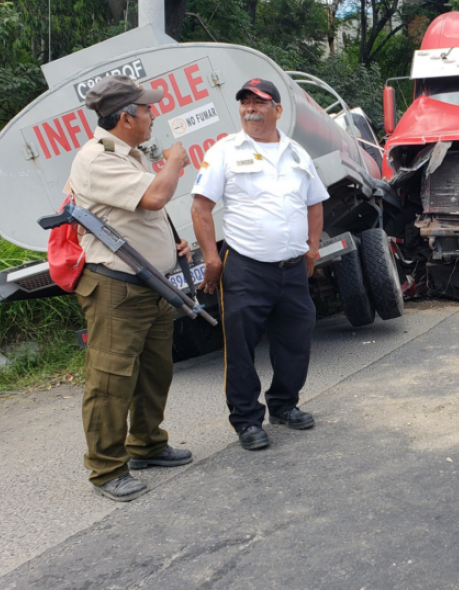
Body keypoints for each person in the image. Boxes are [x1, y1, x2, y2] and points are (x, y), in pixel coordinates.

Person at [68, 74, 193, 502]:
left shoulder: (128, 155)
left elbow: (136, 214)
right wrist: (175, 161)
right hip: (116, 288)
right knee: (110, 380)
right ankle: (106, 469)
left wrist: (169, 243)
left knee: (155, 371)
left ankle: (147, 445)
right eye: (146, 109)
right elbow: (156, 196)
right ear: (125, 117)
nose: (153, 114)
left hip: (148, 285)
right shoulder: (97, 158)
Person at [190, 78, 329, 451]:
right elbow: (201, 207)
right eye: (246, 102)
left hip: (292, 268)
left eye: (260, 102)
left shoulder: (297, 153)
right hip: (247, 267)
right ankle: (247, 421)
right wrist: (211, 257)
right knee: (240, 348)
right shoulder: (224, 151)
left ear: (277, 110)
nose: (251, 109)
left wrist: (312, 249)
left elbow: (315, 203)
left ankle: (284, 405)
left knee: (296, 340)